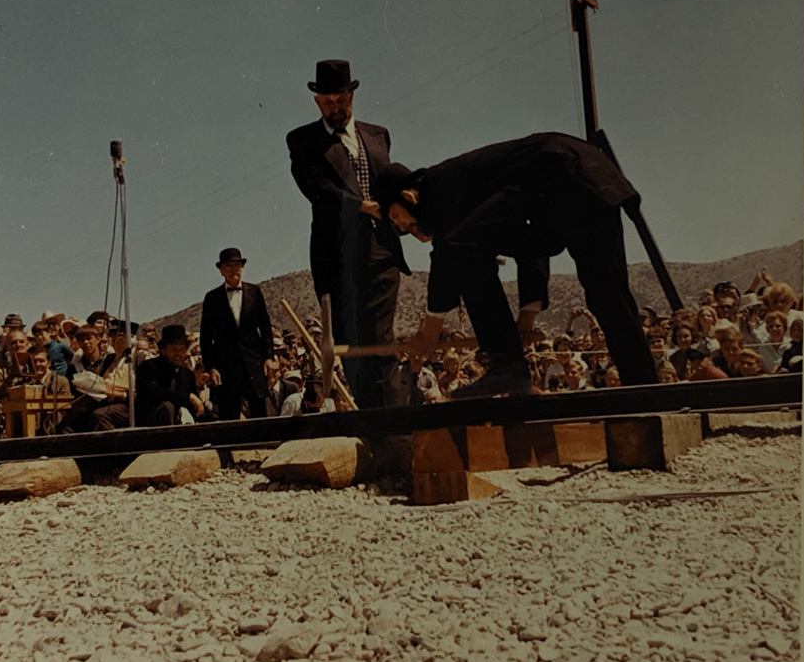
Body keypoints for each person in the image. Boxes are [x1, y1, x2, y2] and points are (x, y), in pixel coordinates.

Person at [375, 131, 659, 397]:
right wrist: (527, 314)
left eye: (396, 217)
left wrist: (430, 329)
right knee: (607, 295)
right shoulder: (499, 194)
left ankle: (506, 365)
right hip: (587, 176)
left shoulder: (439, 186)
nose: (402, 227)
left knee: (459, 247)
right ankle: (645, 388)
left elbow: (447, 252)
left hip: (562, 170)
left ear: (408, 195)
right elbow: (527, 244)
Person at [285, 58, 410, 408]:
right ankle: (371, 419)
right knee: (350, 341)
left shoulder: (378, 135)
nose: (335, 108)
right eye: (327, 103)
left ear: (351, 97)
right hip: (337, 255)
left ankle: (393, 422)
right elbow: (315, 187)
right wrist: (359, 206)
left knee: (382, 337)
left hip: (382, 249)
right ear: (316, 101)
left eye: (341, 101)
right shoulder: (303, 140)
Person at [198, 247, 275, 419]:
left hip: (253, 364)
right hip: (226, 366)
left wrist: (269, 357)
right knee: (229, 413)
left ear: (242, 267)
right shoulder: (212, 298)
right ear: (221, 270)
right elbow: (205, 337)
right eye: (228, 266)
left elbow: (265, 327)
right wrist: (211, 367)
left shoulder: (254, 292)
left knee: (261, 411)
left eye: (237, 265)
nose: (233, 269)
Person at [135, 323, 203, 427]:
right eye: (174, 350)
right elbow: (155, 393)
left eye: (181, 349)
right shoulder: (149, 367)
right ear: (163, 350)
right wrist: (187, 396)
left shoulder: (187, 374)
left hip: (181, 423)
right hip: (152, 421)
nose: (178, 354)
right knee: (167, 407)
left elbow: (195, 404)